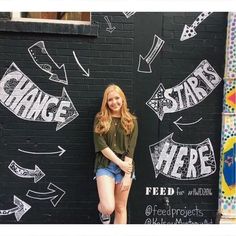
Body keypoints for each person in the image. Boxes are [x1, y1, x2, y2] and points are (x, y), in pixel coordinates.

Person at [93, 84, 138, 224]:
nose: (114, 102)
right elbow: (102, 146)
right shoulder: (100, 119)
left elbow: (131, 149)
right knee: (108, 207)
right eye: (110, 99)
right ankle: (103, 213)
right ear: (106, 102)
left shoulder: (132, 121)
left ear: (122, 99)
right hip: (105, 165)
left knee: (120, 208)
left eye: (117, 98)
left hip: (126, 168)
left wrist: (127, 174)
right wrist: (121, 164)